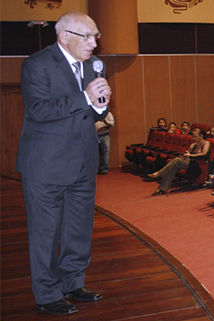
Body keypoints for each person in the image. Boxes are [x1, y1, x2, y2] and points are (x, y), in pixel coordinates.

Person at [16, 11, 111, 315]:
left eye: (96, 36)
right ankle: (47, 294)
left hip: (82, 161)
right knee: (45, 233)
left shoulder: (93, 66)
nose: (94, 43)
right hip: (45, 165)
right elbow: (39, 110)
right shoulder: (37, 64)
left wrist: (101, 105)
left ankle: (73, 282)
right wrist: (85, 98)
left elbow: (93, 113)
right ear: (64, 36)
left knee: (78, 230)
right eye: (88, 36)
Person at [149, 128, 210, 195]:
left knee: (177, 160)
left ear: (201, 136)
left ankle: (159, 173)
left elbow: (204, 154)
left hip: (198, 164)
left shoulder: (206, 143)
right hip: (189, 162)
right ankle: (162, 189)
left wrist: (191, 155)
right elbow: (188, 154)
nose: (194, 138)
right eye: (193, 136)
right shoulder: (193, 144)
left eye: (195, 136)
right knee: (173, 167)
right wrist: (186, 154)